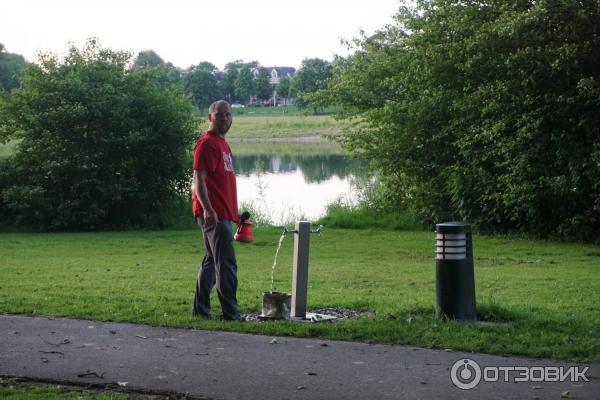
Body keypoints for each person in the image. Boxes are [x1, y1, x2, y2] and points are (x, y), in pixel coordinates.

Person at [191, 100, 241, 321]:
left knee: (211, 261)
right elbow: (198, 180)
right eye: (220, 115)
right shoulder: (207, 144)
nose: (225, 119)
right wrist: (208, 210)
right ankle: (230, 314)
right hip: (213, 214)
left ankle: (200, 311)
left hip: (222, 212)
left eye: (229, 115)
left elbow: (221, 181)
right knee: (226, 264)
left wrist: (234, 213)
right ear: (210, 117)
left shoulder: (222, 143)